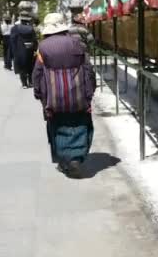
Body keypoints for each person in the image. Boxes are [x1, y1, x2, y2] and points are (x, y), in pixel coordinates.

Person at [32, 13, 96, 177]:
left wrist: (38, 92)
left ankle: (64, 159)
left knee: (57, 126)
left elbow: (38, 73)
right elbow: (88, 69)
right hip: (79, 95)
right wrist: (90, 91)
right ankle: (76, 157)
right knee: (81, 124)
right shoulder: (77, 44)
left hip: (53, 98)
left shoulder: (43, 47)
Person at [10, 11, 38, 88]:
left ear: (21, 19)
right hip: (30, 49)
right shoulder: (31, 28)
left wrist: (14, 52)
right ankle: (31, 82)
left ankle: (24, 83)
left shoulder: (15, 28)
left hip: (20, 50)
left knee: (22, 67)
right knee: (30, 66)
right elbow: (35, 40)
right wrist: (35, 49)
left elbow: (12, 40)